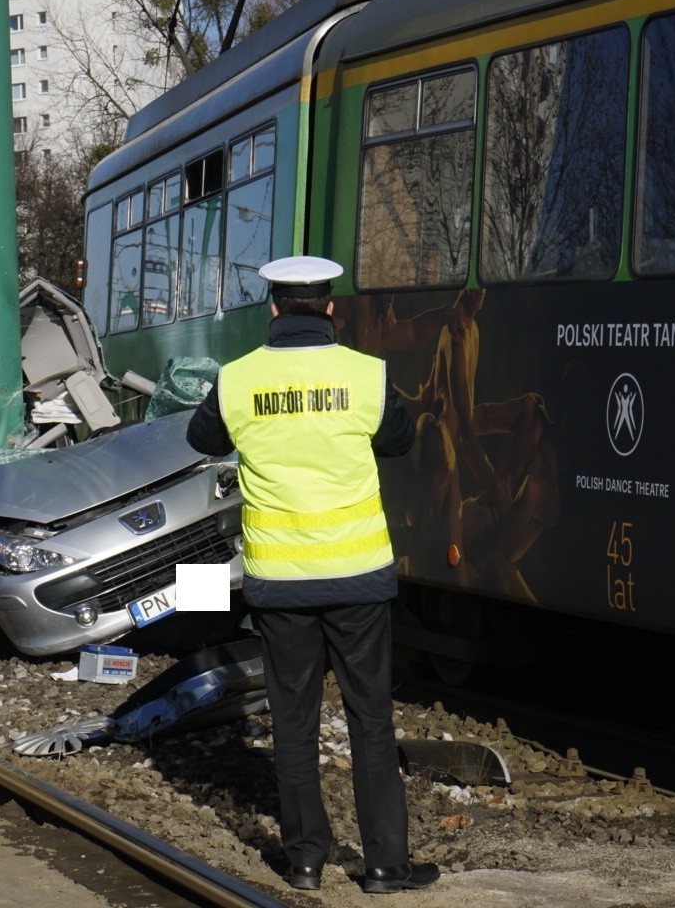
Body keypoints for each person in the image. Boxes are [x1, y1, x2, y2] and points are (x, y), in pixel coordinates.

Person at [186, 255, 436, 895]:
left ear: (272, 309)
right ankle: (385, 866)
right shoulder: (365, 376)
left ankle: (303, 861)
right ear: (329, 308)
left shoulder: (238, 382)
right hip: (358, 580)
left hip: (281, 584)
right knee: (370, 721)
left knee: (293, 724)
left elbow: (202, 439)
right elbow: (402, 439)